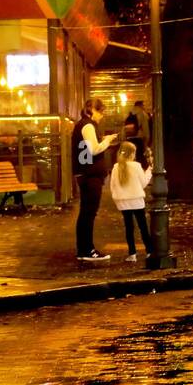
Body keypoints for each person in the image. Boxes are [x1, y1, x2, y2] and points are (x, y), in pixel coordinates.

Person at [72, 98, 117, 262]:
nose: (102, 116)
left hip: (85, 174)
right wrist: (107, 141)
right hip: (90, 175)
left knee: (86, 212)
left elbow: (87, 147)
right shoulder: (88, 125)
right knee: (89, 213)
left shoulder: (82, 125)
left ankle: (83, 248)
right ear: (93, 110)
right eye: (101, 112)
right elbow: (94, 149)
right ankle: (87, 250)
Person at [109, 140, 154, 262]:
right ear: (131, 154)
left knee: (129, 227)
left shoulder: (116, 167)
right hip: (136, 200)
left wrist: (116, 197)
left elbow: (112, 185)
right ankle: (149, 251)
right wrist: (149, 170)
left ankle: (132, 254)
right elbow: (144, 183)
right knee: (142, 226)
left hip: (122, 202)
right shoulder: (136, 166)